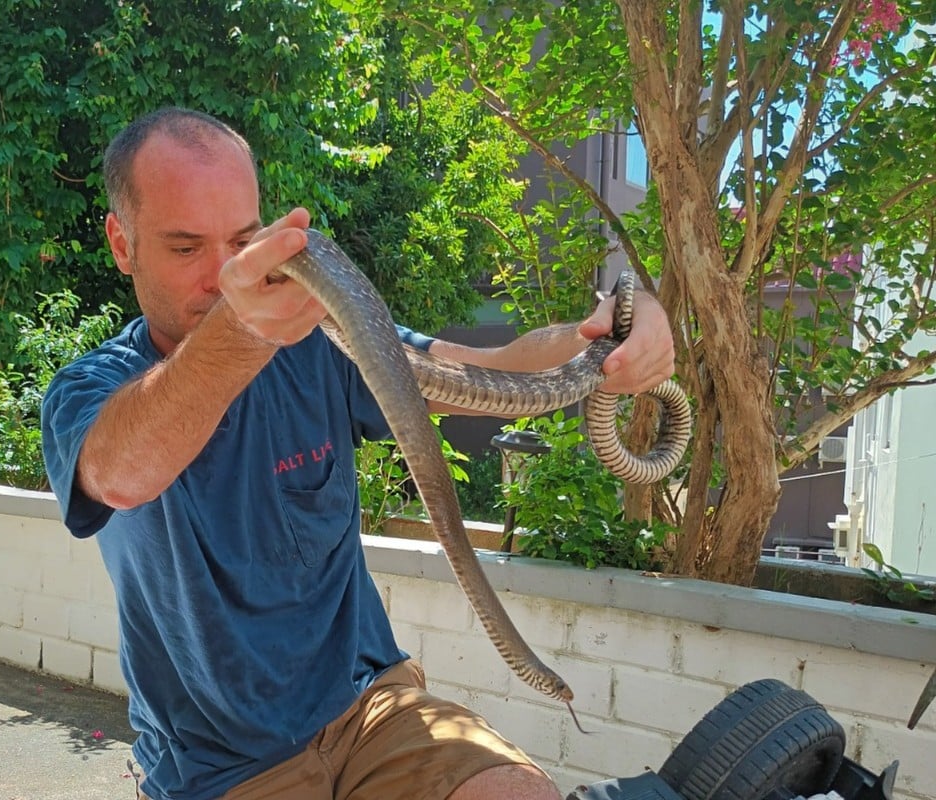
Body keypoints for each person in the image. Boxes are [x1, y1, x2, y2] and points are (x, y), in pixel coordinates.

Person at [41, 107, 675, 800]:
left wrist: (622, 323)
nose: (224, 277)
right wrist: (243, 333)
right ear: (122, 244)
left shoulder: (323, 343)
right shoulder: (89, 392)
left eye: (243, 242)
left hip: (368, 707)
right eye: (186, 248)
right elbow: (122, 471)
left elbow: (491, 369)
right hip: (216, 767)